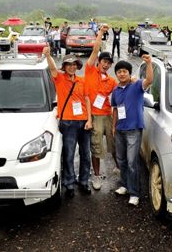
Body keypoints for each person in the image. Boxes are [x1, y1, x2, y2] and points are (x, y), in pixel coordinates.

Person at [43, 46, 93, 197]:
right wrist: (48, 55)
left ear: (77, 66)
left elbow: (87, 99)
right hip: (68, 122)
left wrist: (89, 119)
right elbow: (52, 68)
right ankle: (69, 184)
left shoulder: (82, 80)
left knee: (86, 154)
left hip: (83, 122)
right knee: (69, 154)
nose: (71, 67)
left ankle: (84, 181)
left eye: (74, 64)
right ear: (64, 67)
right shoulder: (59, 78)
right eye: (68, 65)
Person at [112, 54, 154, 206]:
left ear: (129, 73)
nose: (122, 74)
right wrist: (113, 127)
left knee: (131, 162)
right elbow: (115, 110)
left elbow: (149, 80)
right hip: (120, 130)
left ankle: (135, 193)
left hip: (134, 129)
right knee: (121, 160)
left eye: (124, 71)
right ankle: (124, 185)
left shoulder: (137, 86)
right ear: (116, 74)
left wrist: (149, 63)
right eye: (119, 71)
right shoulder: (116, 90)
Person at [84, 24, 119, 190]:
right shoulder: (90, 70)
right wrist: (101, 32)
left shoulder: (111, 81)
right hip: (95, 116)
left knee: (114, 144)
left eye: (109, 63)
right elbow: (95, 49)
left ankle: (119, 168)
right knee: (96, 147)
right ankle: (96, 176)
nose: (106, 65)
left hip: (108, 115)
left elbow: (120, 92)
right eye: (104, 61)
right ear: (99, 61)